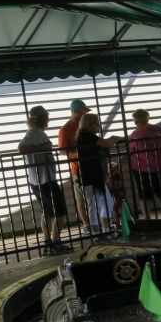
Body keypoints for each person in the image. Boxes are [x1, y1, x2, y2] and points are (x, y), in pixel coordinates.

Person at [18, 106, 72, 256]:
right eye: (46, 117)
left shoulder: (36, 132)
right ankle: (55, 243)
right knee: (60, 212)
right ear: (41, 119)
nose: (48, 120)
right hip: (44, 179)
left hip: (39, 179)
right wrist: (44, 147)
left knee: (47, 212)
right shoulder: (35, 132)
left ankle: (48, 243)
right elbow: (21, 148)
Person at [75, 113, 124, 234]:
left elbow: (105, 147)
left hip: (98, 175)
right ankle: (96, 233)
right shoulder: (84, 135)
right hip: (89, 176)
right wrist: (115, 138)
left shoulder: (91, 136)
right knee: (94, 205)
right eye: (97, 123)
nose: (99, 125)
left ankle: (106, 230)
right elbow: (106, 143)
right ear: (89, 124)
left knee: (108, 202)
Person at [128, 109, 161, 219]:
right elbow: (130, 150)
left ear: (144, 119)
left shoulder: (158, 129)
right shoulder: (134, 134)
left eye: (137, 121)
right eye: (135, 122)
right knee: (144, 193)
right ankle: (147, 217)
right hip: (141, 168)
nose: (136, 124)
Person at [58, 99, 92, 233]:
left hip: (90, 164)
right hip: (77, 167)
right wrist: (78, 153)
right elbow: (61, 150)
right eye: (83, 112)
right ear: (75, 112)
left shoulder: (84, 126)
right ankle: (86, 224)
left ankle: (96, 222)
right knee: (81, 197)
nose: (84, 115)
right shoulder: (65, 130)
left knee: (93, 195)